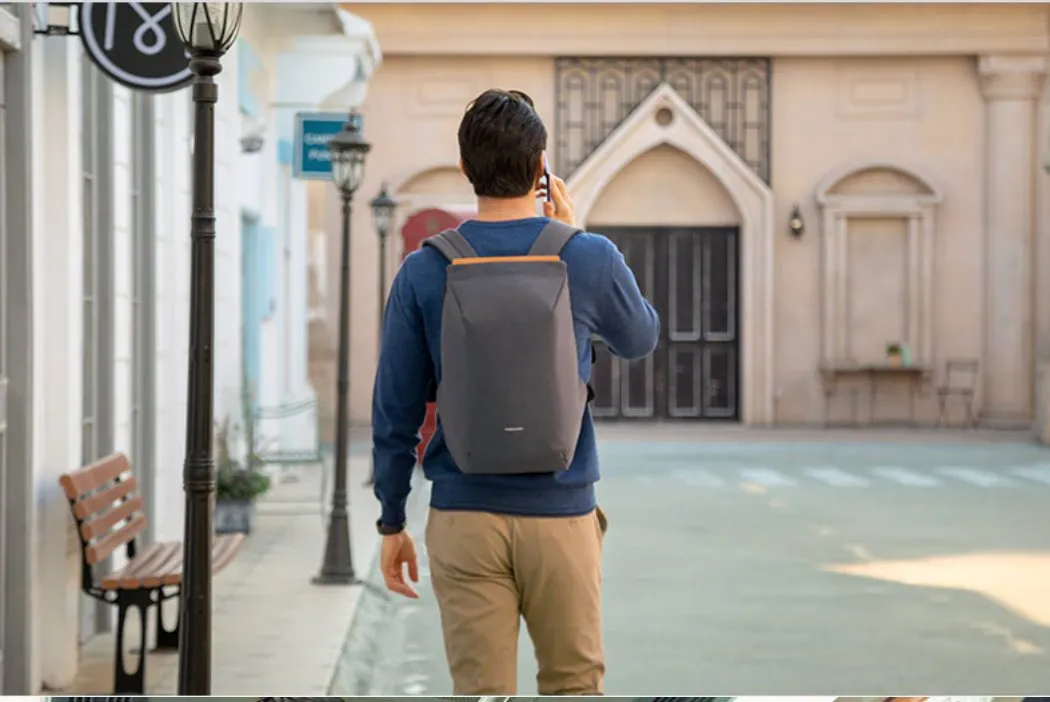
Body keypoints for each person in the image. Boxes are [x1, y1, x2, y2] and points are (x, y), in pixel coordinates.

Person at [371, 88, 660, 695]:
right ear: (540, 169)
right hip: (561, 514)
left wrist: (392, 519)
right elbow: (639, 338)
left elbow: (395, 409)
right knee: (574, 684)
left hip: (463, 515)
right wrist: (575, 237)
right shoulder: (586, 257)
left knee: (480, 692)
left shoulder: (424, 270)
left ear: (465, 168)